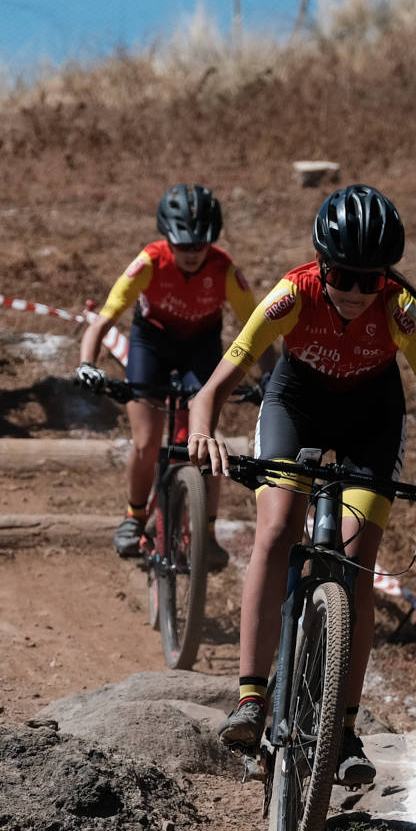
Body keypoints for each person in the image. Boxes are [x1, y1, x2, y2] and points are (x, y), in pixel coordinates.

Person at [189, 184, 416, 786]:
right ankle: (251, 698)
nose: (353, 292)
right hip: (295, 404)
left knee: (356, 566)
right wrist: (205, 433)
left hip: (371, 420)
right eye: (341, 276)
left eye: (368, 280)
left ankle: (343, 729)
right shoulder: (290, 295)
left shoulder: (402, 311)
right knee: (275, 532)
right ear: (320, 265)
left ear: (387, 278)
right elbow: (212, 390)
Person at [75, 183, 260, 568]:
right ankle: (134, 516)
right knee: (145, 441)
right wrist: (87, 364)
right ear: (167, 239)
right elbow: (102, 322)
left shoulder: (225, 270)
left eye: (200, 245)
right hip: (152, 344)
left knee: (207, 443)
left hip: (200, 349)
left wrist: (271, 379)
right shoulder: (148, 262)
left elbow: (258, 332)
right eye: (183, 245)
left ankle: (206, 535)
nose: (192, 254)